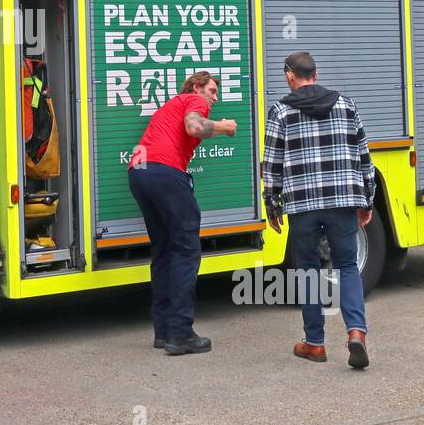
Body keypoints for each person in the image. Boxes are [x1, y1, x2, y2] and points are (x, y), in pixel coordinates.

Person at [262, 51, 376, 370]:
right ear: (316, 72)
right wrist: (368, 199)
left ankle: (314, 344)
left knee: (308, 269)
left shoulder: (281, 111)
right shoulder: (345, 104)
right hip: (342, 200)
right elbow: (364, 156)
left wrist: (273, 207)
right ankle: (356, 333)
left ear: (289, 75)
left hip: (303, 205)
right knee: (347, 266)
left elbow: (271, 165)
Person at [127, 72, 238, 356]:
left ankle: (163, 331)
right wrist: (225, 125)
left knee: (163, 250)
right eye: (212, 90)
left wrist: (219, 130)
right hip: (165, 172)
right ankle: (180, 334)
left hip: (140, 173)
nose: (215, 98)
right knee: (186, 250)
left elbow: (196, 129)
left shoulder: (171, 105)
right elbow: (194, 128)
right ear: (197, 86)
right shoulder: (193, 101)